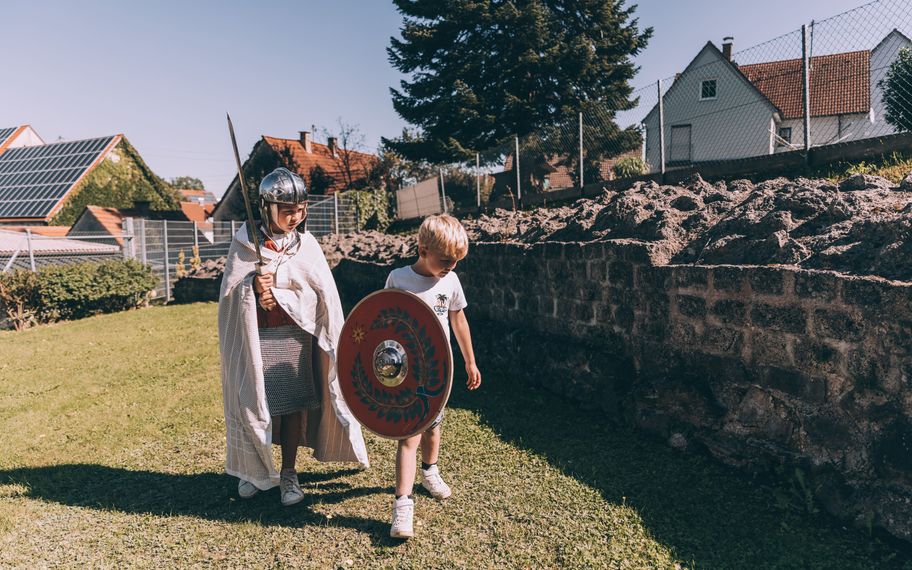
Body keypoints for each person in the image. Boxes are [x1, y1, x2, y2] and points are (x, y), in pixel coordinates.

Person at [218, 167, 369, 506]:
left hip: (294, 340)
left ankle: (288, 473)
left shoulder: (306, 245)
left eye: (300, 210)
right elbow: (229, 297)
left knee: (291, 409)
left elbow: (321, 295)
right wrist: (252, 289)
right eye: (287, 210)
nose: (295, 217)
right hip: (256, 340)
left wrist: (282, 289)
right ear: (266, 207)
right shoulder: (245, 243)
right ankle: (254, 471)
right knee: (253, 406)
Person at [384, 213, 481, 538]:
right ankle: (402, 506)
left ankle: (430, 472)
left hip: (439, 372)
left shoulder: (450, 282)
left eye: (455, 262)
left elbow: (459, 321)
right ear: (422, 249)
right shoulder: (399, 279)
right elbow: (382, 321)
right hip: (406, 375)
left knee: (434, 430)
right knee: (409, 436)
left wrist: (470, 361)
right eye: (445, 260)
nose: (450, 267)